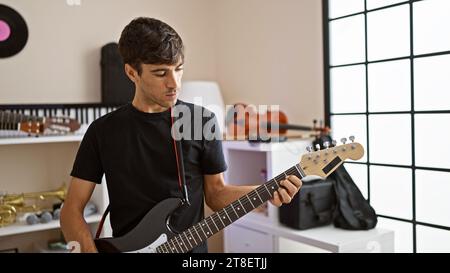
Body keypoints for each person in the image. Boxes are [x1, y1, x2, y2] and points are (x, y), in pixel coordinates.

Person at [60, 17, 302, 253]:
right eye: (160, 73)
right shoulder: (103, 131)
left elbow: (216, 194)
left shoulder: (201, 121)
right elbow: (71, 210)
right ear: (132, 73)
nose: (174, 83)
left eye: (178, 70)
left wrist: (265, 192)